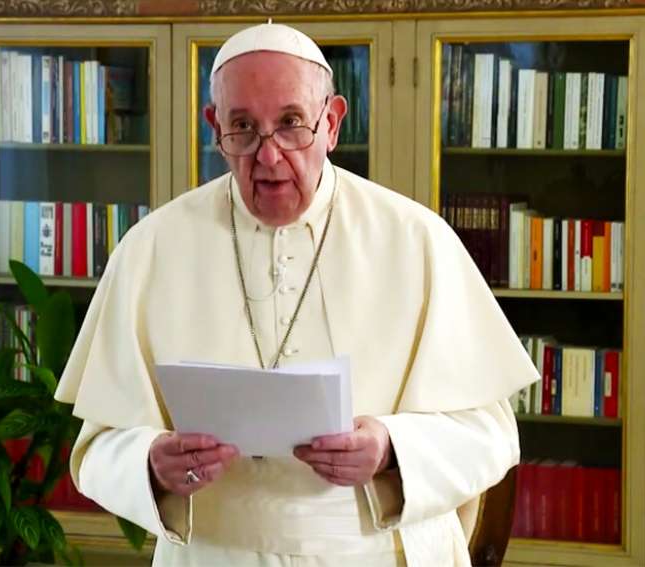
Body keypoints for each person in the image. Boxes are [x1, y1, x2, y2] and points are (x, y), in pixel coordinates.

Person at [55, 22, 539, 567]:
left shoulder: (416, 239)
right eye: (243, 127)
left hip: (378, 551)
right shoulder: (152, 248)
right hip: (216, 553)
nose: (268, 156)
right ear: (215, 126)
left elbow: (491, 434)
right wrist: (149, 462)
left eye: (290, 124)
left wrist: (390, 448)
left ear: (331, 122)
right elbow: (98, 446)